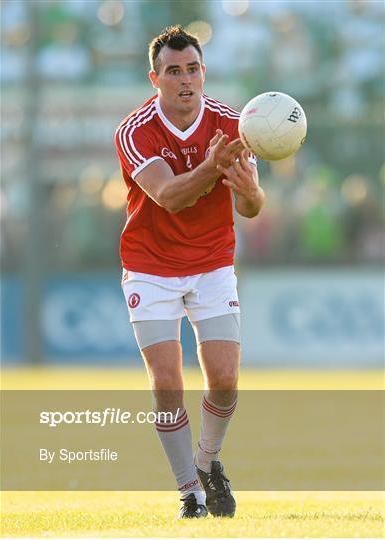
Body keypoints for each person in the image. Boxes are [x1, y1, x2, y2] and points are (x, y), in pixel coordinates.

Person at [115, 25, 265, 519]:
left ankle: (208, 462)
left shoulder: (234, 123)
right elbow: (169, 196)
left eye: (193, 69)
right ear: (154, 78)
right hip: (150, 266)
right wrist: (211, 167)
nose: (185, 80)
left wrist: (246, 187)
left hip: (211, 263)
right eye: (173, 72)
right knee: (166, 381)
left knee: (224, 378)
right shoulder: (135, 130)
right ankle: (189, 494)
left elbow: (251, 207)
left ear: (205, 72)